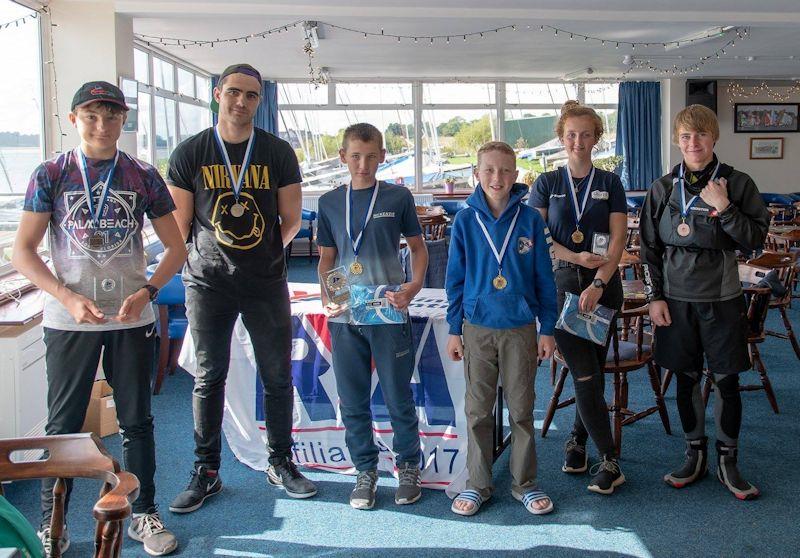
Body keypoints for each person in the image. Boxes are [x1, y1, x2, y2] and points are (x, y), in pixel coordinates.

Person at [12, 81, 185, 556]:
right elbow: (23, 252)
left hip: (131, 319)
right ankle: (55, 521)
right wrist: (65, 297)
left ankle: (143, 512)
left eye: (112, 116)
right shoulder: (50, 173)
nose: (103, 125)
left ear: (123, 121)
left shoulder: (144, 175)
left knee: (137, 422)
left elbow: (175, 246)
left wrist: (148, 291)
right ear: (74, 120)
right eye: (92, 116)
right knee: (63, 426)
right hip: (70, 321)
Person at [166, 64, 316, 513]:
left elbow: (290, 222)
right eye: (234, 92)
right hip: (207, 283)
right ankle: (206, 470)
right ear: (217, 94)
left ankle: (281, 461)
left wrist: (261, 255)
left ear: (259, 101)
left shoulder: (276, 151)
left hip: (265, 282)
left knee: (276, 375)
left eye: (251, 95)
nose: (241, 102)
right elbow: (181, 225)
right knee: (210, 377)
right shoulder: (191, 152)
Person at [640, 104, 769, 500]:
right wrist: (654, 297)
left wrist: (725, 208)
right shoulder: (662, 188)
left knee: (727, 381)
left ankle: (728, 460)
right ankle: (693, 453)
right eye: (685, 136)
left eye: (700, 135)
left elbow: (756, 240)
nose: (693, 143)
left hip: (723, 300)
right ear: (677, 141)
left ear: (714, 138)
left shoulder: (737, 182)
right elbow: (649, 248)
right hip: (676, 303)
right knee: (685, 379)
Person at [316, 123, 428, 510]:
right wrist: (329, 295)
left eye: (371, 155)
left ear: (382, 155)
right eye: (355, 156)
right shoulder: (330, 202)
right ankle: (365, 470)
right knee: (353, 400)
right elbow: (327, 260)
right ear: (343, 157)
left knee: (398, 396)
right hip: (346, 315)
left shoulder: (398, 197)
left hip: (388, 310)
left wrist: (413, 287)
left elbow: (418, 248)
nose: (363, 164)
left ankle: (408, 465)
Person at [446, 141, 557, 516]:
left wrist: (547, 328)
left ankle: (524, 482)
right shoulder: (464, 220)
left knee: (522, 409)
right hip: (477, 328)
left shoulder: (530, 221)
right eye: (489, 170)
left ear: (516, 175)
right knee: (478, 411)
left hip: (521, 327)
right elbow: (455, 279)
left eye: (505, 170)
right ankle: (478, 483)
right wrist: (453, 327)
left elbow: (545, 278)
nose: (498, 178)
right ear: (476, 174)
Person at [527, 101, 628, 495]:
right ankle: (610, 459)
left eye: (586, 134)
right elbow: (538, 240)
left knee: (593, 373)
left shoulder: (611, 182)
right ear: (561, 136)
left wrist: (599, 281)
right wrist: (575, 257)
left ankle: (578, 443)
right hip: (562, 290)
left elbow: (618, 240)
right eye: (571, 134)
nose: (578, 141)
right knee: (585, 373)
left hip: (603, 290)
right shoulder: (547, 183)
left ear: (597, 138)